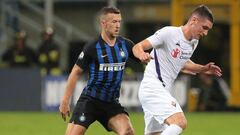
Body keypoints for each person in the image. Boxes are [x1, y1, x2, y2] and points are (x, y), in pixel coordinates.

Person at [132, 5, 222, 135]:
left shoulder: (194, 42)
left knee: (155, 133)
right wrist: (141, 54)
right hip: (152, 87)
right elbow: (138, 46)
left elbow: (182, 63)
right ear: (194, 20)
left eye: (208, 30)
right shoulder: (169, 33)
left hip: (162, 90)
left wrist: (202, 69)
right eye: (204, 28)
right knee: (180, 122)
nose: (205, 33)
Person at [59, 6, 137, 135]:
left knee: (128, 132)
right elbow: (75, 72)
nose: (118, 25)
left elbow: (143, 56)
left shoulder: (126, 45)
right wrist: (65, 101)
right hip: (90, 101)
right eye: (114, 22)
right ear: (103, 23)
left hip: (111, 103)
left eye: (119, 21)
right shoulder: (93, 47)